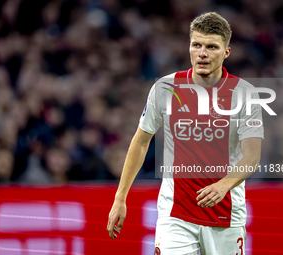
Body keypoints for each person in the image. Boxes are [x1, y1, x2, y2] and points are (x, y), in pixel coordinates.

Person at [107, 12, 263, 255]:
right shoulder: (165, 88)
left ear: (226, 52)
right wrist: (120, 198)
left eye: (211, 47)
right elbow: (141, 141)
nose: (202, 53)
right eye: (196, 45)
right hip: (175, 214)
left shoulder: (245, 94)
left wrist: (224, 185)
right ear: (189, 47)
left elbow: (252, 156)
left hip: (226, 215)